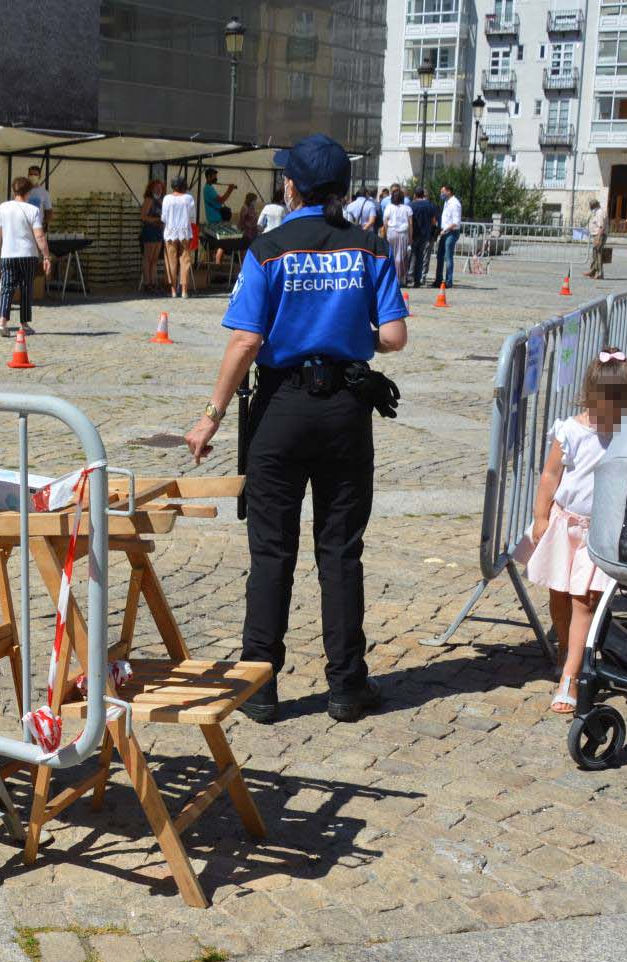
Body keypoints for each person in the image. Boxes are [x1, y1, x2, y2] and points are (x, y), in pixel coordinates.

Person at [183, 133, 408, 724]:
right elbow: (393, 337)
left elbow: (246, 339)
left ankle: (259, 685)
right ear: (342, 190)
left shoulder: (267, 249)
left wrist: (211, 416)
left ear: (292, 186)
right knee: (340, 550)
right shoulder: (371, 248)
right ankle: (345, 685)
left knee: (271, 550)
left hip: (280, 411)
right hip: (344, 413)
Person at [526, 349, 627, 713]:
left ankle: (571, 676)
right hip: (565, 525)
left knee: (584, 601)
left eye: (623, 403)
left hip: (598, 530)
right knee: (560, 599)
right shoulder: (571, 431)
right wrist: (541, 517)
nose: (615, 411)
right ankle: (565, 644)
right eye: (609, 402)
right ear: (591, 396)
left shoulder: (626, 433)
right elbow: (550, 476)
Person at [0, 176, 51, 337]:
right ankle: (24, 324)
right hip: (27, 255)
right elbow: (40, 236)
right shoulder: (34, 210)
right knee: (26, 289)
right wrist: (46, 256)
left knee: (7, 288)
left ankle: (2, 322)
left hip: (8, 255)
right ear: (29, 192)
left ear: (14, 190)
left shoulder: (3, 208)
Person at [160, 177, 197, 299]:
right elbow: (192, 217)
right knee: (185, 260)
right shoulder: (189, 198)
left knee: (171, 261)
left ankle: (173, 290)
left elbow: (163, 218)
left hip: (170, 232)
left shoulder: (166, 198)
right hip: (184, 232)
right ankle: (184, 290)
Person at [138, 178, 165, 292]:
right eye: (156, 188)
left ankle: (153, 282)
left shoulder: (161, 201)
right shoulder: (149, 200)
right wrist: (156, 220)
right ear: (151, 189)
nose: (159, 190)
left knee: (154, 259)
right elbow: (143, 217)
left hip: (158, 231)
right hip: (150, 231)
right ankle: (147, 282)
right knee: (148, 258)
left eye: (160, 188)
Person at [434, 184, 462, 287]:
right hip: (444, 232)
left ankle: (449, 281)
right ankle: (438, 280)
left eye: (443, 192)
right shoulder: (447, 202)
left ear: (449, 191)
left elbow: (456, 222)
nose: (441, 194)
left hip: (451, 232)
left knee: (448, 257)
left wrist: (445, 230)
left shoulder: (455, 204)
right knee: (439, 256)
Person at [409, 186, 437, 287]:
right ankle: (418, 279)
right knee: (421, 255)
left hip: (414, 233)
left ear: (415, 195)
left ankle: (410, 276)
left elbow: (409, 221)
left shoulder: (411, 205)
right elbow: (434, 221)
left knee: (412, 255)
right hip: (425, 234)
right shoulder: (429, 205)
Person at [383, 185, 413, 280]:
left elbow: (385, 222)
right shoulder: (407, 208)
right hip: (403, 233)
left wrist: (385, 234)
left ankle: (391, 276)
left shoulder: (389, 207)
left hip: (391, 232)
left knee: (391, 254)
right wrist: (411, 237)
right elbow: (410, 224)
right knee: (401, 256)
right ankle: (400, 277)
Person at [584, 199, 608, 278]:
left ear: (594, 205)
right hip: (596, 234)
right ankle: (593, 271)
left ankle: (599, 273)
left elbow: (601, 226)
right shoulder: (596, 212)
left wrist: (598, 237)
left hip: (599, 235)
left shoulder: (600, 212)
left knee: (598, 254)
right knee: (595, 253)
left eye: (591, 206)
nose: (590, 207)